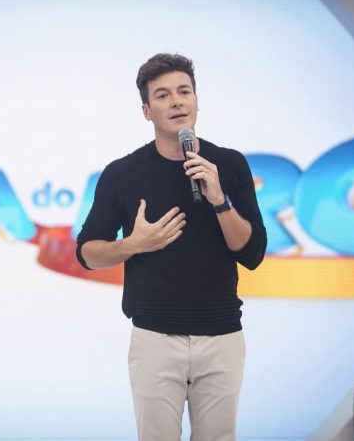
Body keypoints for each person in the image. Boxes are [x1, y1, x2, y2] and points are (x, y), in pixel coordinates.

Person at [75, 53, 267, 441]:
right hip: (155, 340)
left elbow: (252, 254)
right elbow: (87, 252)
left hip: (222, 337)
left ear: (196, 100)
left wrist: (220, 200)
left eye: (184, 92)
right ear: (147, 111)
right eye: (163, 95)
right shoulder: (122, 174)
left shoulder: (229, 165)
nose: (177, 101)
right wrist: (134, 244)